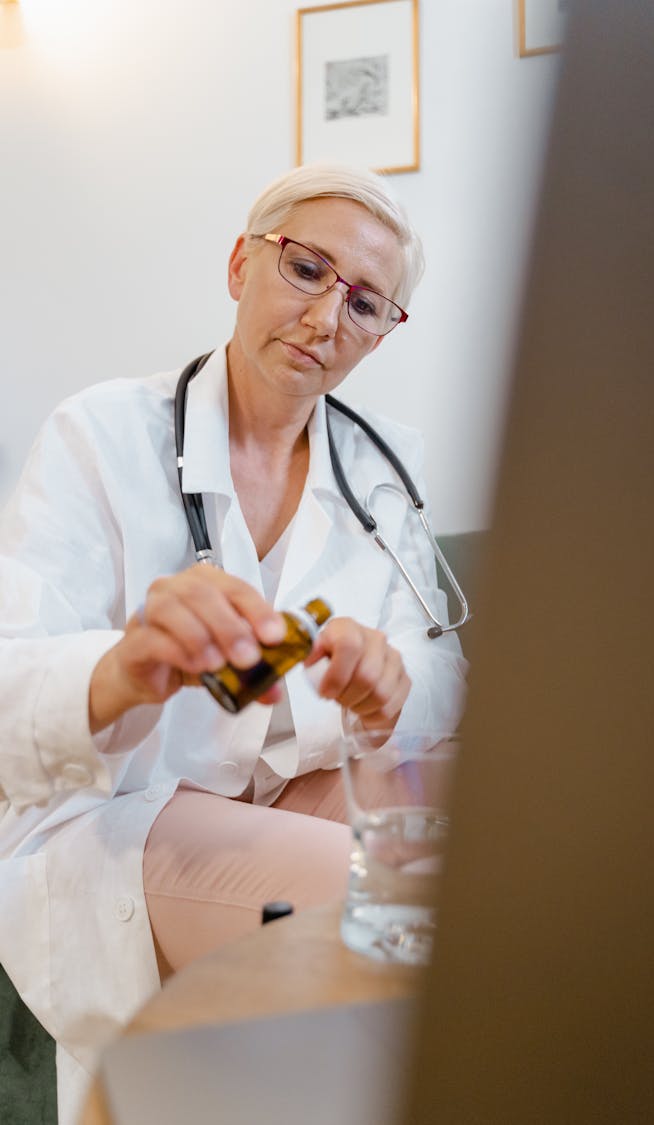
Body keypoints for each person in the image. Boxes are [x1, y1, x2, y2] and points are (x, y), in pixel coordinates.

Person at [0, 163, 467, 1124]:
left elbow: (443, 675)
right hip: (120, 812)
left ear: (381, 333)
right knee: (397, 922)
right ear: (240, 265)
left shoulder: (383, 470)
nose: (328, 316)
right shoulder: (103, 435)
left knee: (505, 840)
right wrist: (120, 669)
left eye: (367, 302)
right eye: (306, 268)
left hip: (290, 786)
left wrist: (390, 682)